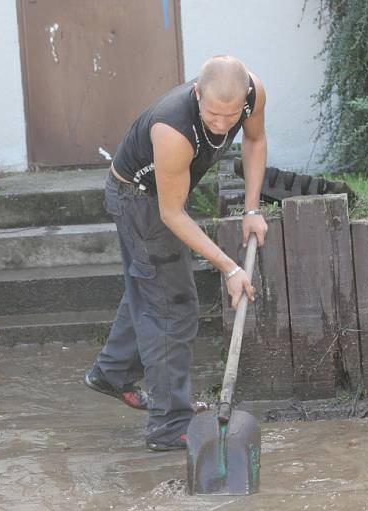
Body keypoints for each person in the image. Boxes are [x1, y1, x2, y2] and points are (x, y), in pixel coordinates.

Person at [84, 55, 268, 452]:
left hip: (160, 201)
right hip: (138, 200)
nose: (223, 124)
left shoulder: (252, 92)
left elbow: (254, 140)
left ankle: (113, 371)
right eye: (214, 115)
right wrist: (230, 267)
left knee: (153, 291)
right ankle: (169, 425)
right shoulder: (173, 128)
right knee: (173, 306)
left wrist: (251, 209)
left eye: (230, 115)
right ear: (196, 93)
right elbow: (171, 213)